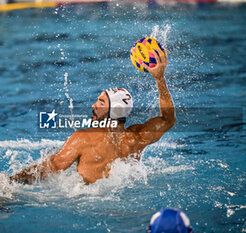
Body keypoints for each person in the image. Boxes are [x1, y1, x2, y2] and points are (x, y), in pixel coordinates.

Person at [10, 49, 175, 184]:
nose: (93, 105)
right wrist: (159, 78)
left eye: (101, 102)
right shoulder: (138, 138)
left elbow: (53, 166)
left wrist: (11, 180)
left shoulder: (83, 138)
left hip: (84, 197)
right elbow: (168, 119)